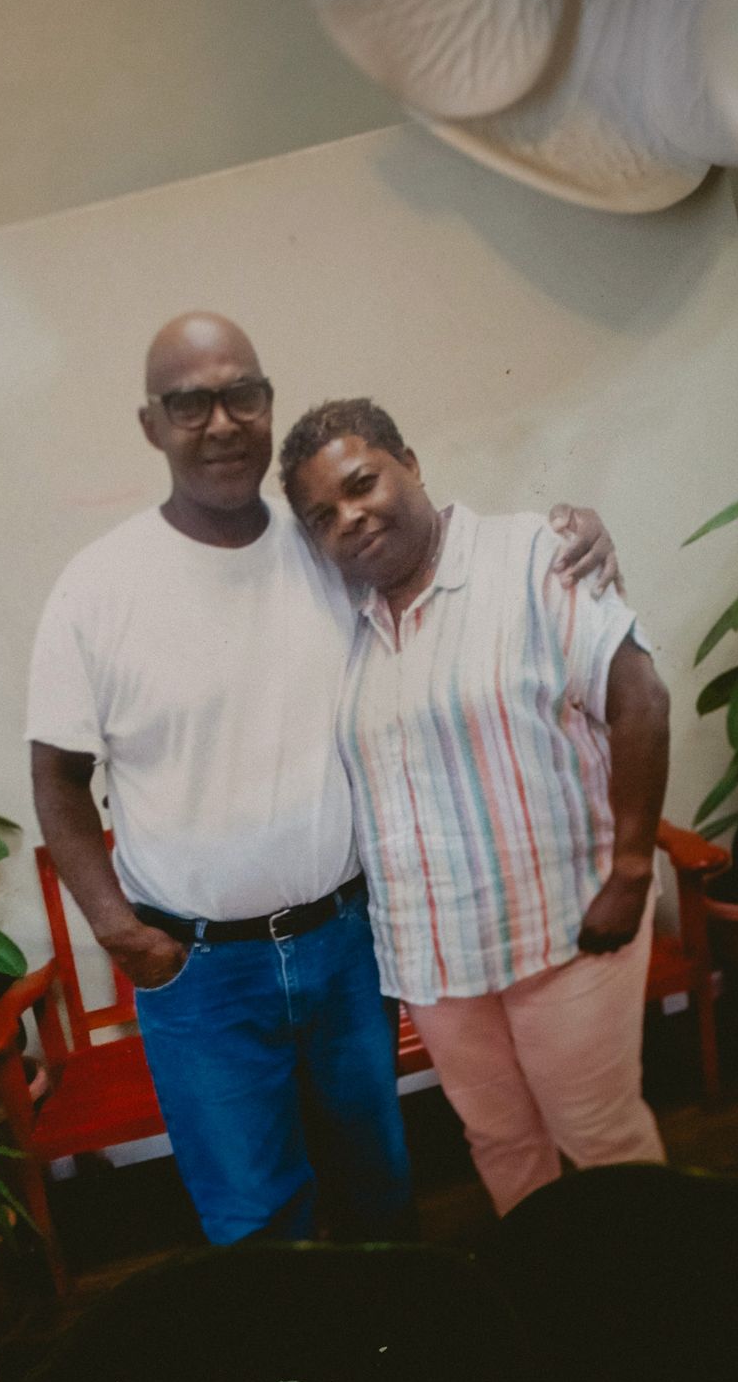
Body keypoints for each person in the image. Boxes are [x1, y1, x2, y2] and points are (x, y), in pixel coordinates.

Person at [27, 314, 619, 1247]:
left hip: (348, 946)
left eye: (241, 395)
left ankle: (392, 1373)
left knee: (379, 1188)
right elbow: (58, 778)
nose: (220, 421)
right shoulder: (97, 587)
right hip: (199, 972)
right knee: (257, 1218)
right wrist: (117, 928)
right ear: (152, 425)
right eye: (189, 402)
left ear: (267, 407)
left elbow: (450, 555)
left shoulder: (327, 547)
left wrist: (574, 532)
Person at [280, 398, 671, 1219]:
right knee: (498, 1142)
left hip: (564, 926)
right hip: (435, 958)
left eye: (363, 484)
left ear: (411, 464)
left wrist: (633, 868)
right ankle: (552, 1303)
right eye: (323, 514)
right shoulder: (340, 622)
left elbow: (641, 698)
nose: (350, 517)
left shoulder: (529, 556)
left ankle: (653, 1313)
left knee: (600, 1140)